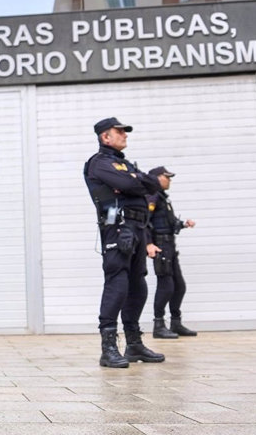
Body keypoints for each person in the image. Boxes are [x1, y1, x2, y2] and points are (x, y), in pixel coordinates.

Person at [83, 117, 166, 368]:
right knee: (117, 283)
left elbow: (154, 184)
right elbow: (131, 183)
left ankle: (134, 343)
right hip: (117, 229)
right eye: (119, 132)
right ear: (105, 137)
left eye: (124, 132)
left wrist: (136, 181)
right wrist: (136, 181)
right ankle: (108, 348)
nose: (125, 135)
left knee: (138, 285)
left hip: (138, 228)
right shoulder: (99, 163)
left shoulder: (124, 163)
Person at [146, 166, 197, 339]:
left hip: (169, 244)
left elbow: (167, 221)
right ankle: (158, 325)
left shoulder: (162, 197)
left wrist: (183, 224)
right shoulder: (151, 196)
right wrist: (148, 244)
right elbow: (144, 221)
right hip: (160, 245)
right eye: (166, 177)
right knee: (166, 286)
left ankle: (176, 322)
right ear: (157, 178)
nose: (170, 180)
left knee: (179, 286)